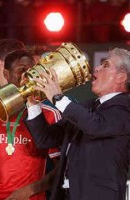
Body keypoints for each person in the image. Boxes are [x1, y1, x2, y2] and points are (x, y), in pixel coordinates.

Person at [25, 47, 130, 200]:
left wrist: (57, 97)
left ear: (121, 77)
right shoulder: (87, 108)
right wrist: (33, 103)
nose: (97, 68)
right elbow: (45, 139)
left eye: (105, 65)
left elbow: (95, 126)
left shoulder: (125, 109)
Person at [0, 50, 61, 200]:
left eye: (31, 71)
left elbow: (61, 166)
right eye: (21, 70)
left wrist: (30, 190)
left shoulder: (50, 114)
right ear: (6, 74)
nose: (27, 76)